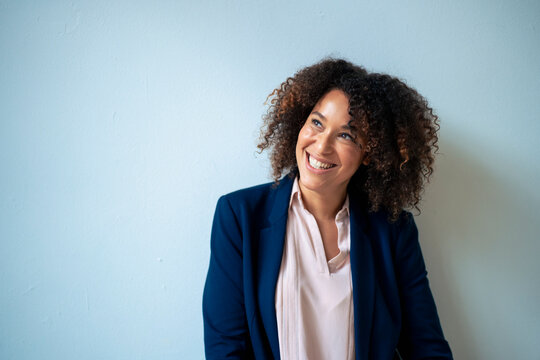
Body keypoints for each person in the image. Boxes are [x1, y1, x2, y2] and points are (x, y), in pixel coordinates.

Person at [202, 58, 453, 360]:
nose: (321, 147)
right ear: (301, 123)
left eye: (346, 135)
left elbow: (427, 347)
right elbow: (225, 349)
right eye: (317, 123)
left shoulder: (394, 231)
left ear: (369, 154)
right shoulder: (239, 216)